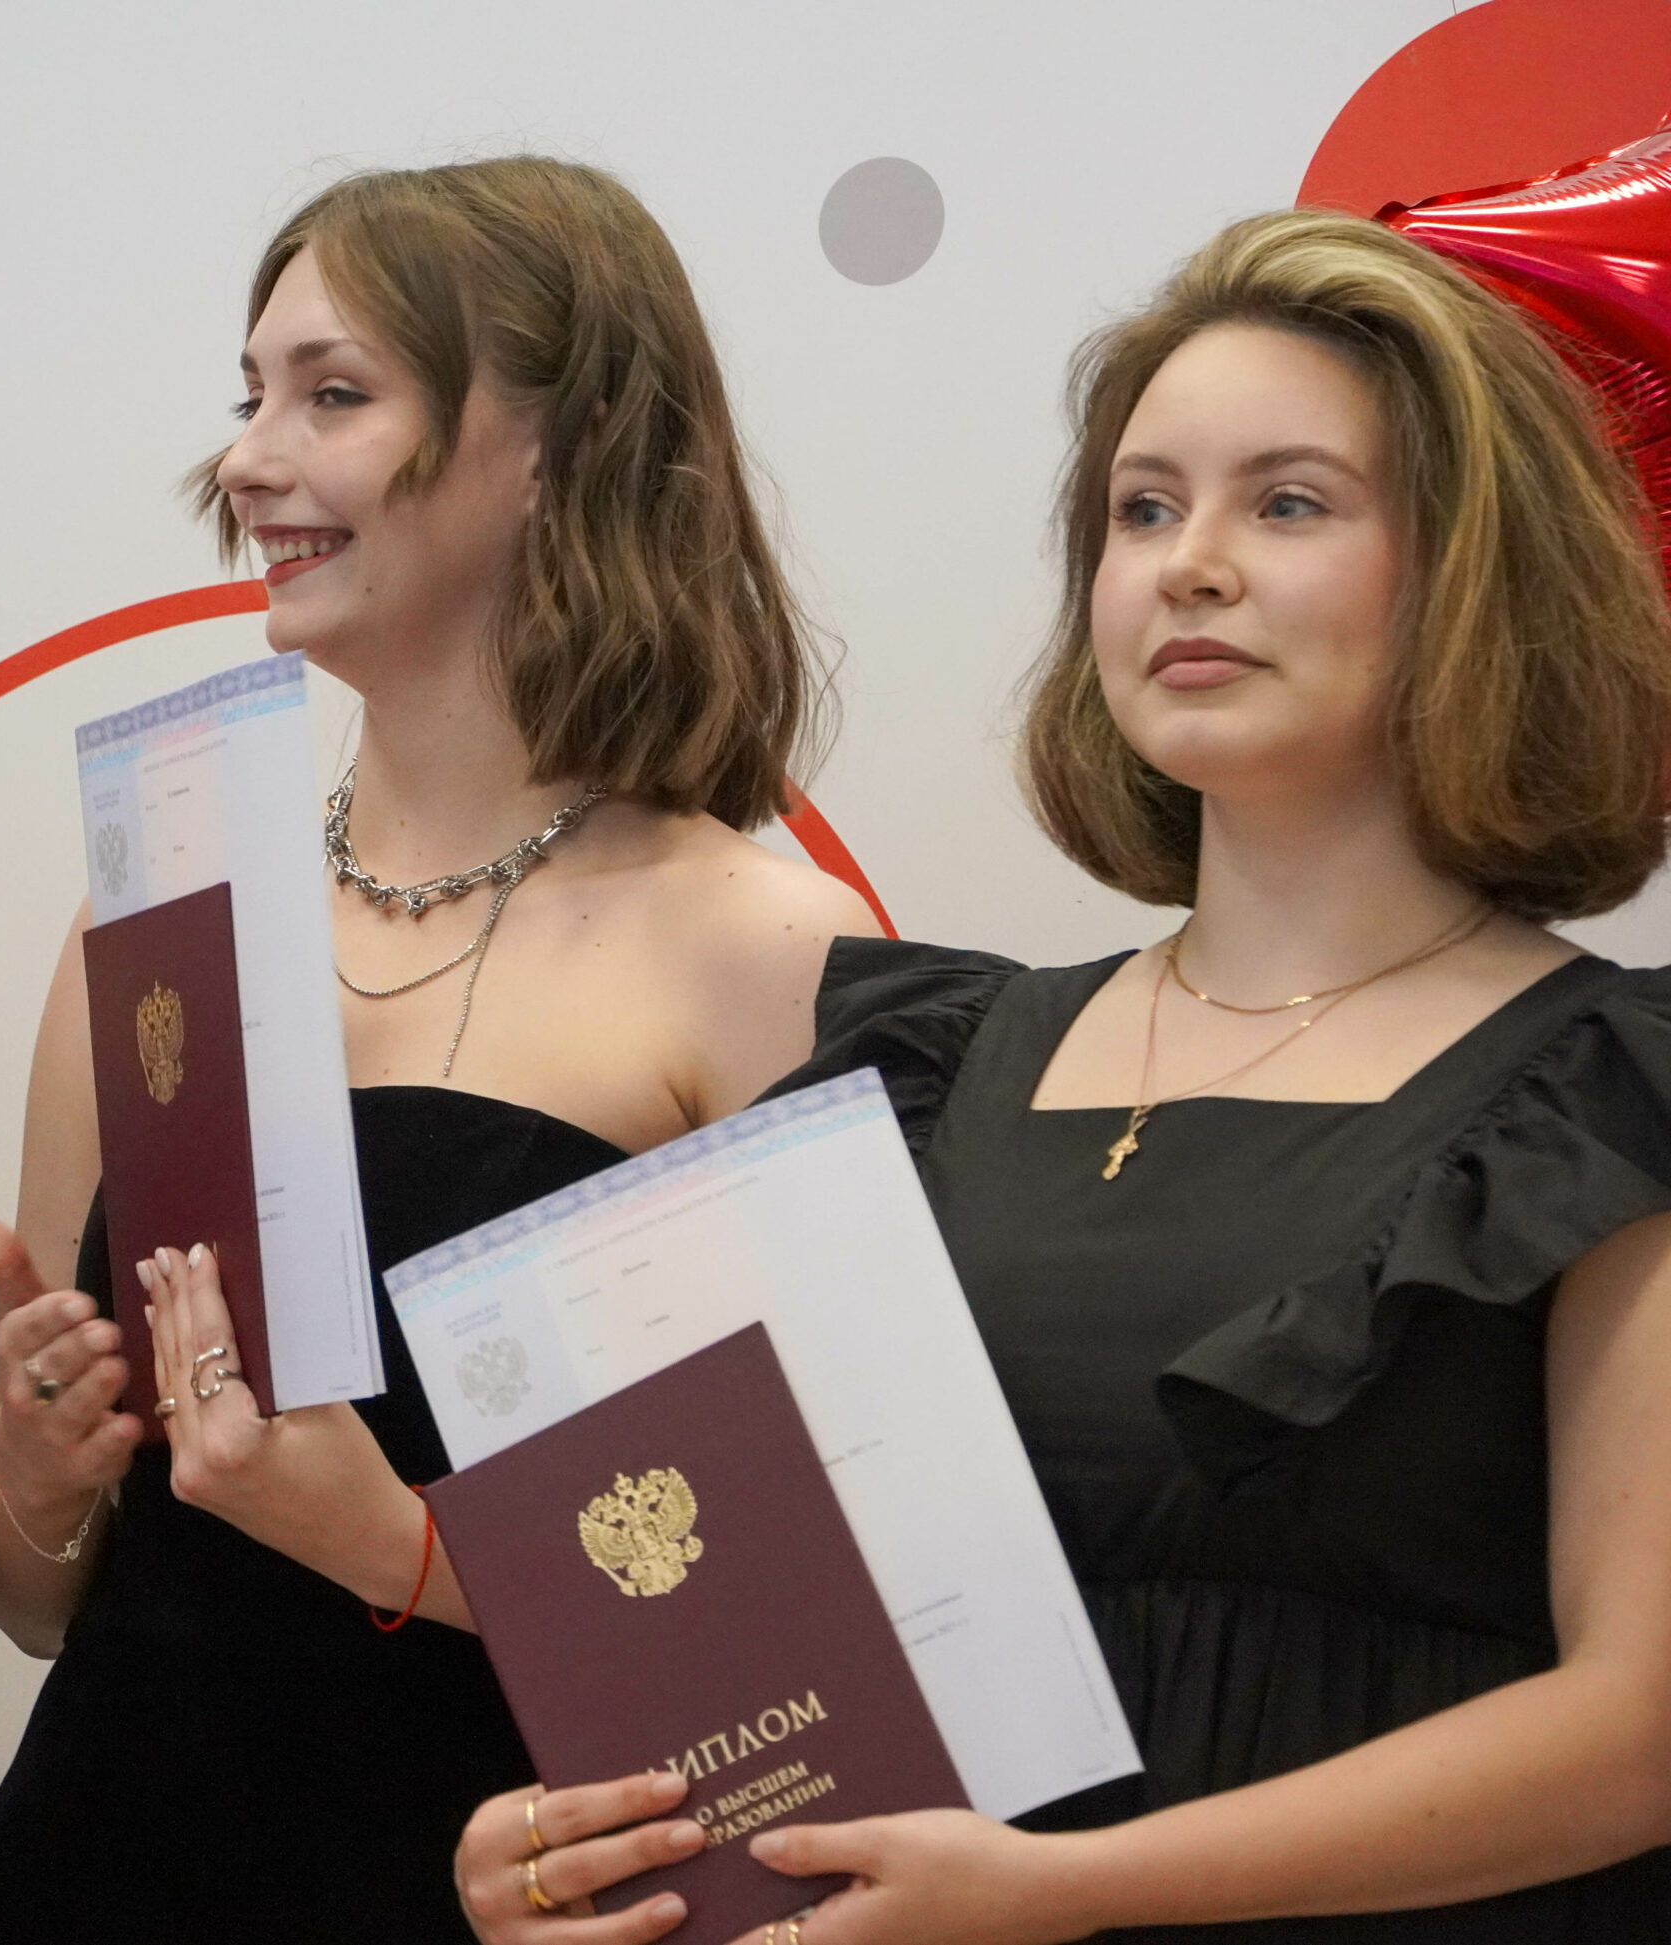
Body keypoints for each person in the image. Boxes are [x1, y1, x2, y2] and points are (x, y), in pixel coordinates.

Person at [453, 208, 1671, 1943]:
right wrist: (604, 1847)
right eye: (1143, 509)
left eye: (1290, 503)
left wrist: (1073, 1891)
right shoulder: (941, 1061)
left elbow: (1641, 1728)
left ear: (1476, 573)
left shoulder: (1609, 1091)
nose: (1190, 565)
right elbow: (763, 1636)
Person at [0, 157, 878, 1942]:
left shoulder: (765, 949)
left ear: (563, 446)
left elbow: (832, 1634)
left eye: (335, 395)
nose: (249, 461)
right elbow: (45, 1605)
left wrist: (402, 1542)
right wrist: (34, 1479)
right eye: (250, 395)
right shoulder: (157, 919)